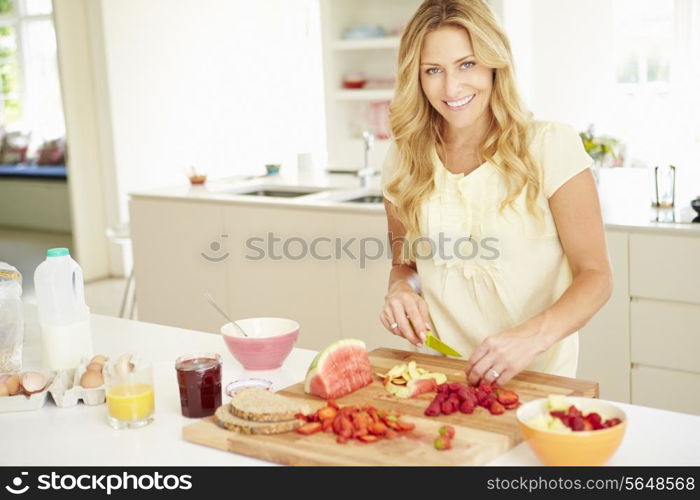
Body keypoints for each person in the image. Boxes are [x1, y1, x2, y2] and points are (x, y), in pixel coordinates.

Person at [379, 0, 612, 387]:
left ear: (493, 62)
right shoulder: (404, 159)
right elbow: (407, 264)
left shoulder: (550, 145)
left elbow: (597, 276)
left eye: (467, 64)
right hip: (442, 376)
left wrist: (531, 338)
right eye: (433, 70)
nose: (452, 87)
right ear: (415, 78)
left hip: (536, 379)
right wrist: (401, 289)